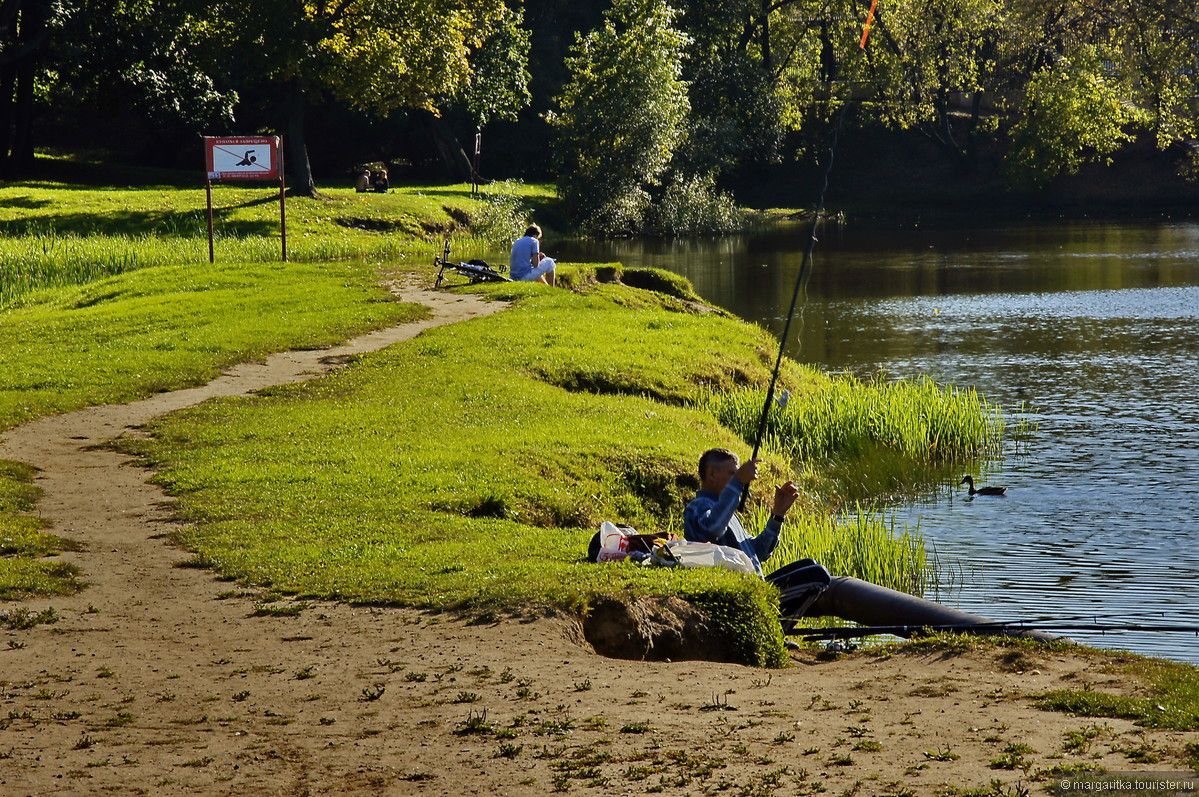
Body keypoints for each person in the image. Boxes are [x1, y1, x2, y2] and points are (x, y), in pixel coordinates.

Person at [684, 448, 831, 622]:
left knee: (810, 564)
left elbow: (758, 553)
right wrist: (738, 482)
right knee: (818, 575)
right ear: (711, 474)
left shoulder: (727, 512)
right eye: (732, 473)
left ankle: (772, 624)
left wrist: (778, 514)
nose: (739, 479)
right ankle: (773, 627)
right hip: (739, 594)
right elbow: (712, 528)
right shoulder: (698, 506)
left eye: (737, 474)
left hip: (755, 587)